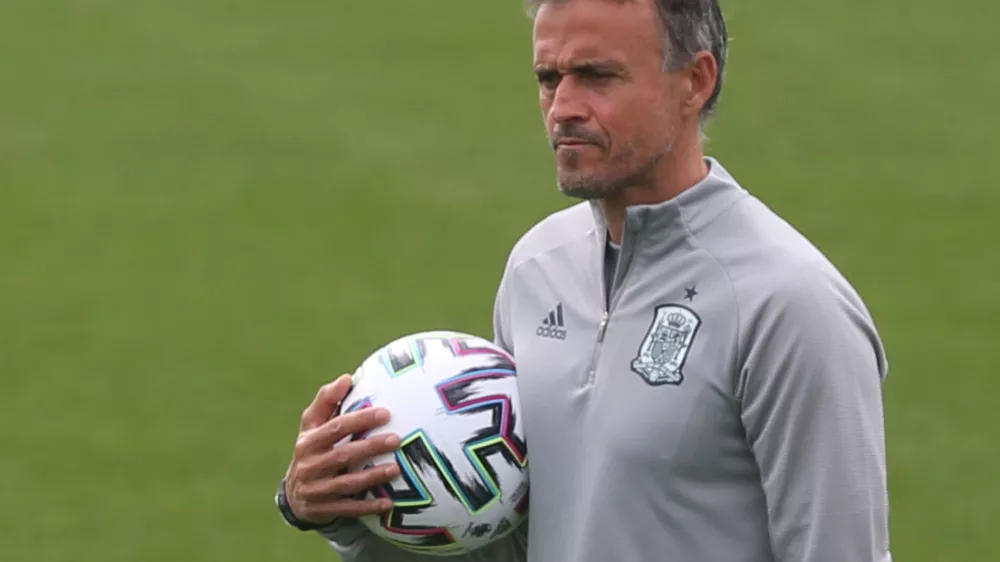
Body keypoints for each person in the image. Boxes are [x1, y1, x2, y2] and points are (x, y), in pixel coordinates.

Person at [275, 0, 894, 560]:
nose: (564, 108)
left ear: (695, 83)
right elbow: (513, 546)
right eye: (550, 78)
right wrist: (341, 508)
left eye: (598, 76)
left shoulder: (788, 304)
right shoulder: (537, 269)